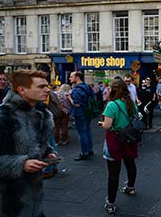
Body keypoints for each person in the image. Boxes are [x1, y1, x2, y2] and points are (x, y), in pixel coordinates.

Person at [0, 69, 57, 216]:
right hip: (6, 200)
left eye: (47, 85)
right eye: (41, 87)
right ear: (22, 90)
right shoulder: (3, 116)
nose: (47, 89)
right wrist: (20, 163)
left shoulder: (42, 115)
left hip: (33, 197)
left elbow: (39, 143)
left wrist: (48, 153)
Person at [99, 78, 140, 214]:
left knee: (114, 172)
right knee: (130, 163)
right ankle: (131, 187)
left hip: (115, 140)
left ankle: (111, 202)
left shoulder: (111, 105)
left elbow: (107, 125)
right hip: (129, 138)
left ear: (113, 90)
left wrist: (101, 123)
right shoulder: (130, 103)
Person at [69, 71, 95, 161]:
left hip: (79, 113)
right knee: (88, 131)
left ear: (77, 77)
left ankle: (84, 152)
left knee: (82, 133)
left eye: (71, 76)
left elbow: (76, 104)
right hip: (88, 112)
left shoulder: (77, 90)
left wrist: (69, 98)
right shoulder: (87, 87)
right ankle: (90, 149)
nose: (69, 78)